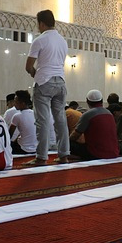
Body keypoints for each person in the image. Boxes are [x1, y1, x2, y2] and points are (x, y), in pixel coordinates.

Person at [25, 9, 70, 166]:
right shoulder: (63, 41)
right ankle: (63, 155)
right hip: (61, 82)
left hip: (44, 82)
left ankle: (41, 157)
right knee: (60, 120)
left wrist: (35, 74)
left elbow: (28, 66)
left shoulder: (40, 40)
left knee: (43, 121)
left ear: (41, 23)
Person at [69, 90, 119, 160]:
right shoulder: (109, 113)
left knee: (68, 143)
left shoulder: (87, 114)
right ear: (102, 100)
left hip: (96, 154)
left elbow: (74, 136)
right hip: (114, 152)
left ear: (87, 101)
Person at [9, 90, 37, 154]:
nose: (14, 104)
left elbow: (10, 134)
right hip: (35, 147)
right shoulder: (35, 114)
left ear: (23, 103)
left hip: (23, 148)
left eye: (16, 102)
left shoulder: (17, 116)